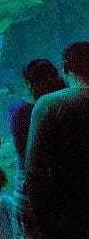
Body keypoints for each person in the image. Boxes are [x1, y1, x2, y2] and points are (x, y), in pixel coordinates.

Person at [24, 41, 89, 238]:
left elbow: (34, 170)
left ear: (65, 66)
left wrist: (45, 222)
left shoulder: (49, 104)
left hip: (69, 211)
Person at [7, 59, 66, 171]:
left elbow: (24, 153)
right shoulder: (68, 104)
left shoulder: (19, 112)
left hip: (35, 175)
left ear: (29, 84)